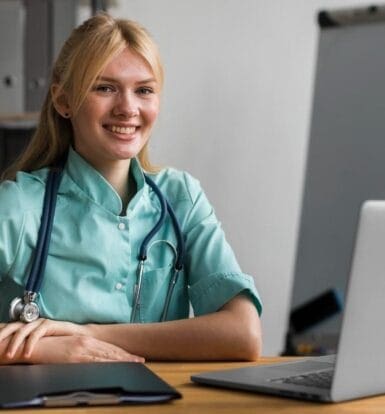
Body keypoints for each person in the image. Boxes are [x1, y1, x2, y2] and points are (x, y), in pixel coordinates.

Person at [0, 13, 262, 364]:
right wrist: (39, 350)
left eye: (144, 90)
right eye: (104, 87)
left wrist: (88, 335)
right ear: (63, 101)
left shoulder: (182, 197)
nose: (127, 108)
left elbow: (242, 335)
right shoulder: (19, 206)